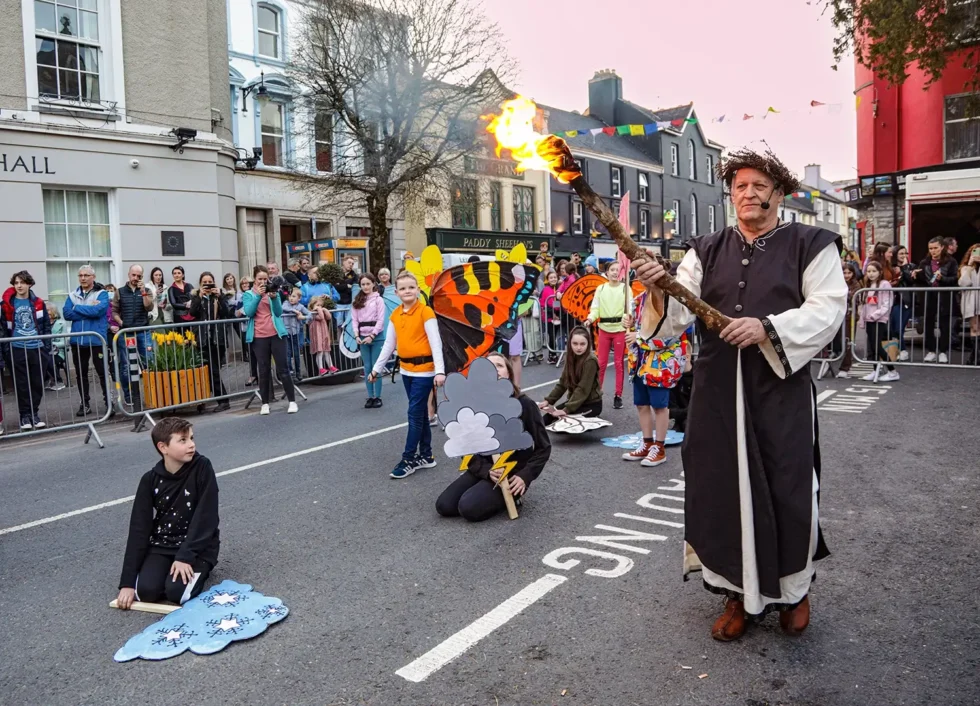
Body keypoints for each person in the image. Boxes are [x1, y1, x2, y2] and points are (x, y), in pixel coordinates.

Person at [633, 147, 847, 640]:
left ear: (779, 193)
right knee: (721, 490)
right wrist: (659, 288)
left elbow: (828, 308)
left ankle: (794, 591)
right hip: (716, 393)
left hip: (779, 391)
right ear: (731, 195)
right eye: (740, 186)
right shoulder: (705, 249)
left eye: (759, 186)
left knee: (788, 488)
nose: (748, 194)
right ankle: (736, 594)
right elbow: (674, 318)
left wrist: (768, 327)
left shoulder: (812, 244)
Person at [115, 417, 219, 609]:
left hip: (197, 546)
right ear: (163, 447)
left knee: (176, 593)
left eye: (191, 438)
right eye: (183, 440)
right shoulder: (150, 479)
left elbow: (207, 516)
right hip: (162, 545)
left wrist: (185, 557)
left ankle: (200, 568)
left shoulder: (202, 467)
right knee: (146, 592)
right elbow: (139, 528)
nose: (191, 445)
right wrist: (127, 583)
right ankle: (166, 572)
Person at [436, 352, 551, 522]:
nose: (495, 369)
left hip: (511, 472)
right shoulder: (475, 405)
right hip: (485, 467)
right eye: (489, 366)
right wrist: (485, 471)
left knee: (468, 508)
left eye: (499, 365)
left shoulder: (524, 404)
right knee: (444, 506)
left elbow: (544, 447)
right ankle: (481, 488)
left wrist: (525, 476)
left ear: (508, 373)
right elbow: (465, 446)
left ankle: (513, 497)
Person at [368, 272, 446, 479]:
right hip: (406, 371)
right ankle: (426, 456)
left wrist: (439, 371)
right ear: (396, 292)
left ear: (418, 290)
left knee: (413, 414)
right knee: (419, 414)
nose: (407, 291)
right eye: (403, 288)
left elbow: (436, 343)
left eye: (411, 287)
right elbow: (389, 344)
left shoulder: (426, 312)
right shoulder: (395, 315)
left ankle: (408, 459)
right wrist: (376, 369)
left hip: (425, 371)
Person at [620, 285, 688, 467]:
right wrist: (627, 323)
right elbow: (633, 327)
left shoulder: (670, 300)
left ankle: (659, 447)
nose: (643, 278)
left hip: (660, 363)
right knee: (641, 404)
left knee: (659, 406)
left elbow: (672, 334)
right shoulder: (639, 299)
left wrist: (639, 337)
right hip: (640, 361)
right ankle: (647, 443)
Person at [242, 266, 298, 415]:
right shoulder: (248, 294)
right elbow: (249, 312)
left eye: (264, 279)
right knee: (263, 370)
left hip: (276, 334)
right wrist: (259, 296)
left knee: (283, 368)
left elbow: (278, 312)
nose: (262, 282)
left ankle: (292, 401)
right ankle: (265, 403)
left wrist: (273, 298)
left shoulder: (273, 291)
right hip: (259, 336)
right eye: (259, 279)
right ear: (254, 279)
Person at [1, 271, 51, 430]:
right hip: (17, 348)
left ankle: (34, 414)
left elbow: (46, 325)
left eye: (22, 282)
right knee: (22, 385)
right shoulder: (6, 305)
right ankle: (25, 416)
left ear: (29, 284)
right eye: (16, 283)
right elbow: (3, 329)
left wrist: (46, 346)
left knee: (37, 383)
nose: (19, 286)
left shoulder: (38, 302)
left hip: (37, 348)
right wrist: (7, 350)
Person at [63, 265, 111, 415]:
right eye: (80, 275)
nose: (83, 278)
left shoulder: (102, 293)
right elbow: (66, 314)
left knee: (102, 373)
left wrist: (76, 308)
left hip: (96, 340)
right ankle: (85, 404)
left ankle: (109, 403)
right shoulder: (72, 295)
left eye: (86, 275)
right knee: (81, 374)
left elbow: (98, 311)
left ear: (93, 277)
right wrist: (88, 310)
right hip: (78, 341)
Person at [585, 261, 629, 409]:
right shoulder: (601, 288)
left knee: (618, 363)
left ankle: (618, 395)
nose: (615, 272)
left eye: (617, 270)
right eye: (612, 270)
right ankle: (597, 394)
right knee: (601, 364)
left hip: (619, 329)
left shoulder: (625, 288)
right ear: (607, 272)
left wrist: (628, 318)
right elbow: (595, 308)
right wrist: (590, 319)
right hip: (603, 329)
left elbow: (630, 308)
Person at [539, 326, 602, 425]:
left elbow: (583, 389)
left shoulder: (590, 360)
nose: (578, 347)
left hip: (591, 404)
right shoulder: (570, 357)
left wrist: (566, 410)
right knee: (546, 419)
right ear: (570, 343)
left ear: (588, 344)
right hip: (575, 402)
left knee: (563, 423)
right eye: (575, 343)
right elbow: (562, 383)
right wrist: (548, 400)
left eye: (582, 344)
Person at [114, 265, 155, 408]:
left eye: (139, 276)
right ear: (129, 274)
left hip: (143, 331)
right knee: (126, 366)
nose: (136, 278)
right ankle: (129, 395)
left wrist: (143, 292)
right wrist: (121, 322)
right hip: (126, 332)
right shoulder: (119, 292)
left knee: (149, 363)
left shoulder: (147, 290)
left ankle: (152, 394)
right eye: (134, 275)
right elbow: (114, 311)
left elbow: (149, 307)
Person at [190, 272, 231, 412]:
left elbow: (226, 312)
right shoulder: (196, 296)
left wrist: (219, 297)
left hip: (216, 339)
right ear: (200, 284)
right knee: (205, 371)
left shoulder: (219, 295)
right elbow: (192, 313)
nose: (207, 285)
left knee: (213, 371)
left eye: (210, 282)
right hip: (202, 339)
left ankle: (223, 400)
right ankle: (209, 400)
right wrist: (200, 296)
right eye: (204, 282)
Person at [913, 236, 959, 363]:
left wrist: (942, 278)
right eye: (930, 248)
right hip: (929, 295)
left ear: (942, 247)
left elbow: (955, 279)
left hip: (945, 295)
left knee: (945, 324)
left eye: (935, 248)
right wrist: (915, 275)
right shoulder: (925, 262)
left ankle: (943, 352)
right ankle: (931, 351)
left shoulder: (951, 261)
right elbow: (922, 280)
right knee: (928, 323)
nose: (933, 251)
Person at [819, 261, 862, 379]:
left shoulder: (856, 285)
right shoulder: (835, 283)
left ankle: (845, 367)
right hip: (835, 315)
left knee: (848, 342)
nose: (847, 275)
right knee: (828, 339)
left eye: (849, 273)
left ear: (853, 273)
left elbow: (855, 299)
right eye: (844, 273)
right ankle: (826, 361)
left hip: (850, 317)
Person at [858, 261, 898, 382]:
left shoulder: (884, 284)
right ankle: (875, 370)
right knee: (872, 347)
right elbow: (865, 304)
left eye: (874, 271)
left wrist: (875, 315)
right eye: (868, 271)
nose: (871, 274)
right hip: (869, 319)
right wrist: (863, 318)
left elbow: (887, 303)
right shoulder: (868, 284)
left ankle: (892, 371)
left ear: (880, 272)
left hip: (879, 319)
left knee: (877, 346)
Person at [352, 273, 386, 407]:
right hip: (362, 337)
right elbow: (354, 320)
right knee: (367, 367)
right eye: (363, 284)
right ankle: (370, 396)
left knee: (376, 366)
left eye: (368, 284)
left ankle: (377, 396)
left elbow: (381, 320)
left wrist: (372, 335)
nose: (365, 287)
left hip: (376, 337)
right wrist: (356, 336)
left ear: (373, 284)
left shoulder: (379, 300)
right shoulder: (357, 301)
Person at [888, 245, 916, 361]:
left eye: (905, 253)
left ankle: (903, 350)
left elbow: (910, 280)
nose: (904, 256)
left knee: (900, 327)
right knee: (894, 328)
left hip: (906, 300)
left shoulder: (911, 266)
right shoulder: (891, 267)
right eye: (901, 253)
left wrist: (904, 267)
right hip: (893, 301)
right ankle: (896, 350)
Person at [280, 288, 310, 381]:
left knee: (296, 354)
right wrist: (294, 311)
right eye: (289, 296)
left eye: (293, 296)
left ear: (299, 298)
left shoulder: (301, 306)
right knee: (288, 353)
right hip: (287, 333)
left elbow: (310, 314)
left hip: (296, 333)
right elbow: (283, 308)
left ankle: (298, 372)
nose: (291, 298)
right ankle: (291, 372)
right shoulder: (286, 303)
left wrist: (303, 317)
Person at [958, 245, 980, 364]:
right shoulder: (965, 268)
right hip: (972, 302)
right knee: (974, 327)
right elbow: (964, 283)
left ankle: (974, 356)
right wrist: (970, 266)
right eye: (974, 252)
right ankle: (975, 355)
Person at [306, 295, 336, 376]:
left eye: (321, 305)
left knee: (326, 350)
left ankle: (331, 366)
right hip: (317, 335)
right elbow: (321, 317)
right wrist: (319, 309)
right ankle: (321, 368)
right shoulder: (312, 313)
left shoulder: (320, 311)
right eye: (318, 305)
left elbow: (329, 317)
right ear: (312, 305)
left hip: (324, 333)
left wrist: (325, 309)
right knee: (320, 351)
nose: (320, 307)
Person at [540, 269, 562, 362]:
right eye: (551, 278)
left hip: (559, 316)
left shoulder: (559, 289)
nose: (553, 279)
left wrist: (558, 315)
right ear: (548, 279)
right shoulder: (545, 289)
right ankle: (552, 356)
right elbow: (543, 303)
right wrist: (552, 314)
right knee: (552, 336)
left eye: (554, 277)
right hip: (549, 317)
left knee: (557, 336)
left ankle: (556, 354)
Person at [45, 303, 68, 391]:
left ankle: (59, 381)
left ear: (53, 311)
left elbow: (64, 342)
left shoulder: (61, 323)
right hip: (45, 350)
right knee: (39, 358)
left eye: (48, 310)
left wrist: (51, 343)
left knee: (48, 359)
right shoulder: (43, 324)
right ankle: (46, 381)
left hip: (58, 351)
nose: (46, 312)